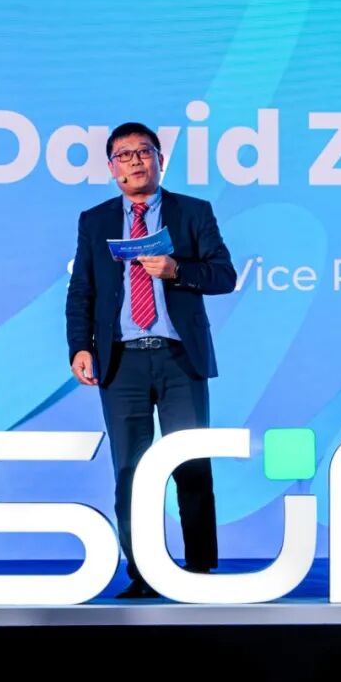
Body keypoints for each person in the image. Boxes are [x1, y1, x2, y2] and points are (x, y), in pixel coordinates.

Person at [65, 121, 236, 598]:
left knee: (191, 465)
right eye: (125, 154)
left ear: (161, 160)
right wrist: (80, 346)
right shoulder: (95, 221)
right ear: (111, 167)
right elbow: (82, 292)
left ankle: (199, 571)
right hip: (121, 361)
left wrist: (178, 269)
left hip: (179, 357)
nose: (135, 161)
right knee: (130, 471)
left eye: (144, 152)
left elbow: (224, 275)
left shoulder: (192, 212)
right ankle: (143, 573)